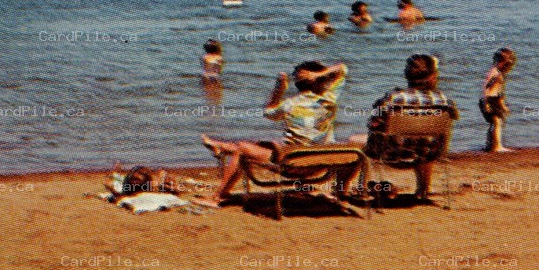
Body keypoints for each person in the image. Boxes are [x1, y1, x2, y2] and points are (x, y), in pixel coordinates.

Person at [198, 61, 352, 206]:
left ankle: (218, 196)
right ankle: (340, 194)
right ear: (323, 81)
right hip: (322, 164)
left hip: (293, 165)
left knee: (242, 149)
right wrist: (321, 73)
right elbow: (343, 68)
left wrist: (279, 90)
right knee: (354, 149)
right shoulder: (330, 99)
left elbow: (268, 112)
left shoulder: (289, 104)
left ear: (298, 84)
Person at [347, 54, 457, 202]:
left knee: (354, 140)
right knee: (427, 140)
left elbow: (374, 123)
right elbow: (451, 121)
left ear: (407, 75)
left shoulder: (394, 98)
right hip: (428, 154)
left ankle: (345, 188)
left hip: (391, 154)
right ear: (432, 75)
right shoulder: (445, 101)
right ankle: (422, 190)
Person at [480, 48, 517, 153]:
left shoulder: (500, 73)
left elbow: (500, 90)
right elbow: (486, 87)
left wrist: (502, 104)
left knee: (496, 123)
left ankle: (490, 145)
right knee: (497, 122)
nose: (508, 67)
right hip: (489, 99)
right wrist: (486, 102)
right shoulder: (494, 71)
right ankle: (497, 146)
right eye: (506, 63)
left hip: (495, 99)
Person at [200, 39, 224, 111]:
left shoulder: (204, 57)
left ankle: (208, 106)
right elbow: (219, 70)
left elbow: (203, 66)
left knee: (207, 91)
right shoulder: (219, 58)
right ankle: (215, 107)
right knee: (217, 92)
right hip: (215, 76)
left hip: (205, 75)